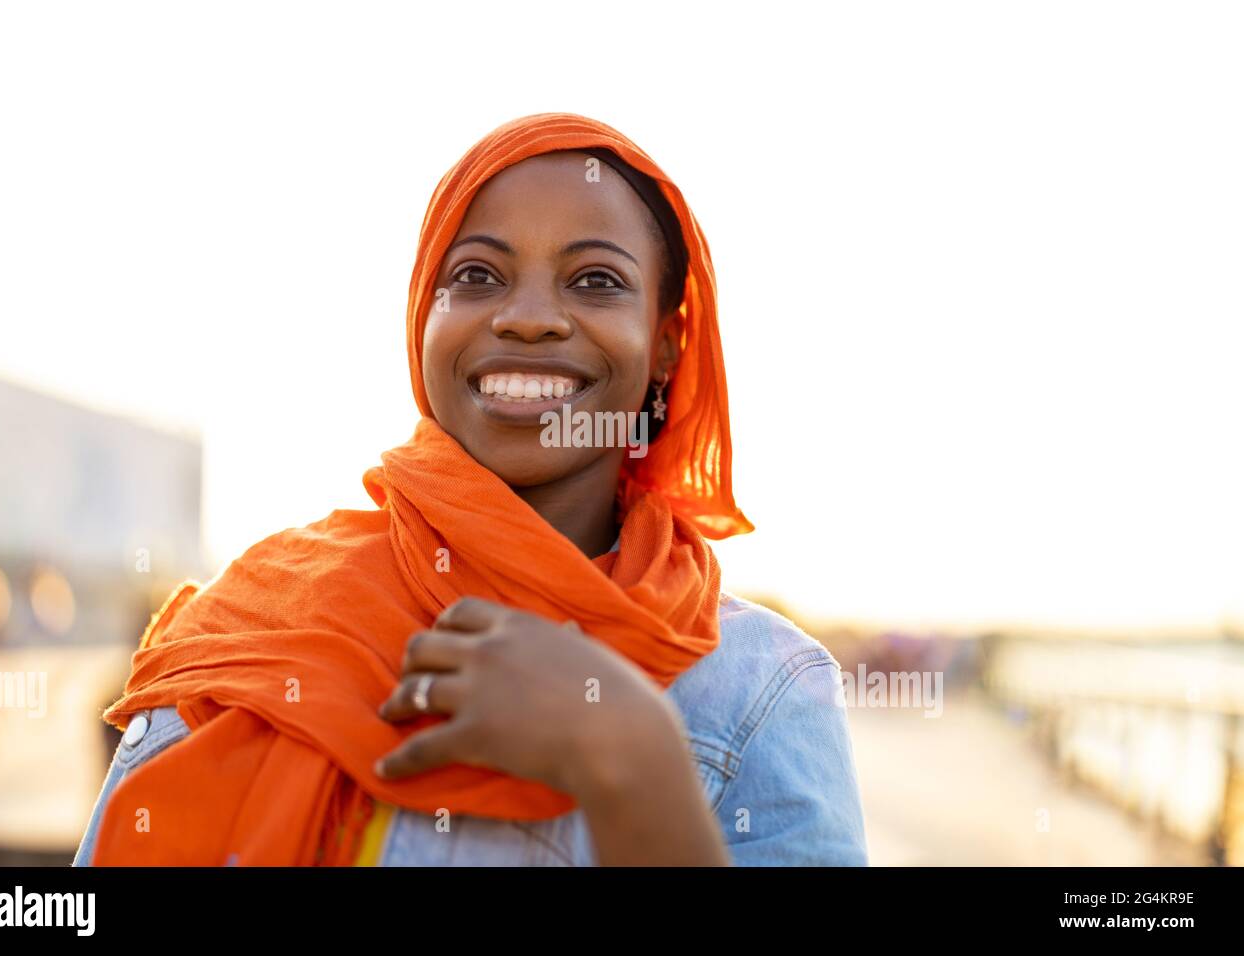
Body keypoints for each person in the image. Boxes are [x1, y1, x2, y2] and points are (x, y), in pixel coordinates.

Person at [73, 113, 869, 866]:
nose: (528, 318)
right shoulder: (253, 620)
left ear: (665, 347)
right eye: (478, 275)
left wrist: (641, 765)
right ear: (424, 314)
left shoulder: (766, 689)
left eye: (594, 280)